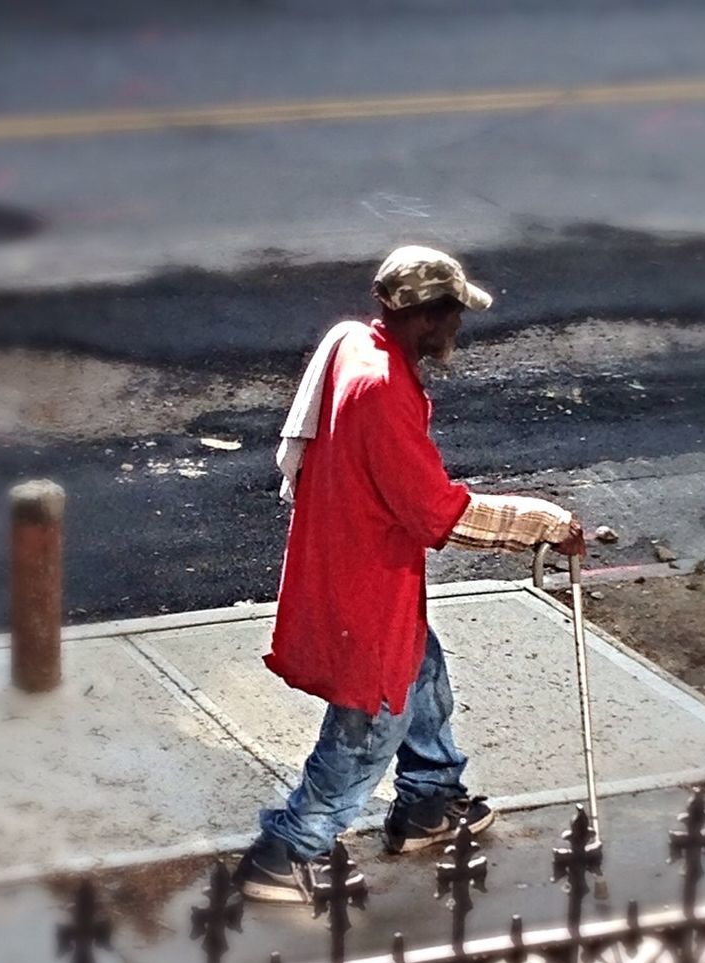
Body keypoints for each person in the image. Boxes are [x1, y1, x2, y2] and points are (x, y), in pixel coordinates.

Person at [235, 245, 585, 905]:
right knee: (371, 720)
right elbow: (436, 516)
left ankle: (429, 801)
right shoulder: (383, 392)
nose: (458, 328)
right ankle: (284, 853)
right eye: (453, 314)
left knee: (421, 672)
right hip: (365, 581)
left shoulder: (352, 344)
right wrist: (541, 523)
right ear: (427, 315)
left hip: (354, 559)